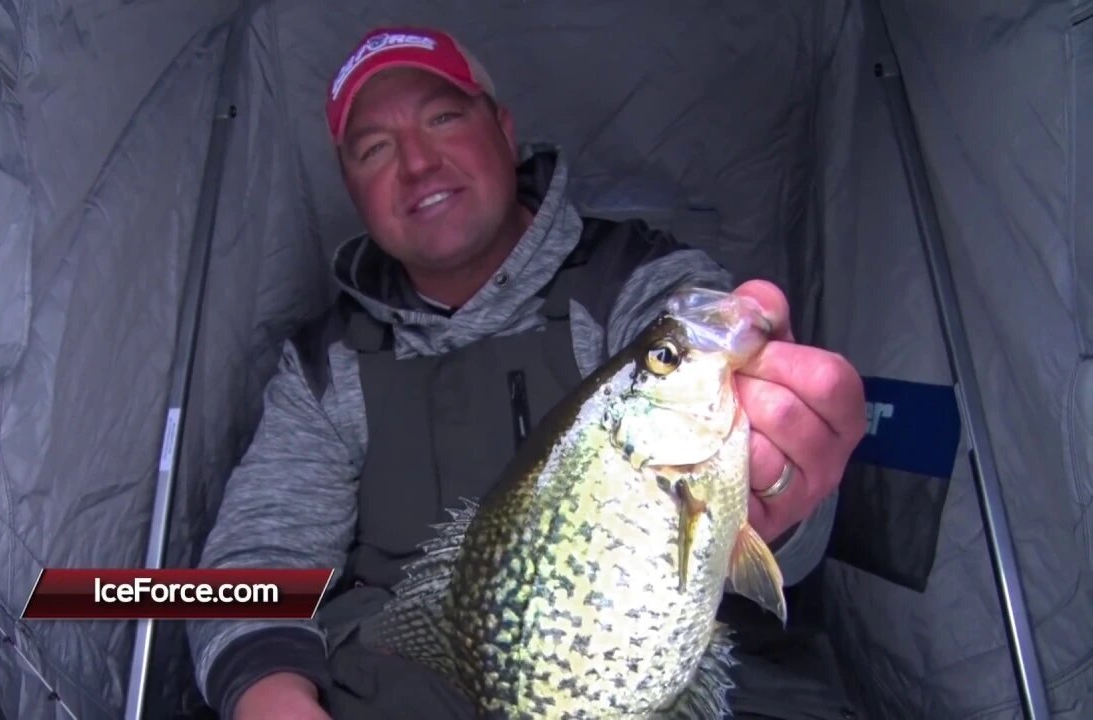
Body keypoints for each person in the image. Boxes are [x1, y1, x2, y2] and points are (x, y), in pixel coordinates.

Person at [187, 25, 867, 720]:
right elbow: (255, 562)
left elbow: (775, 523)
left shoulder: (639, 287)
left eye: (443, 117)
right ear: (350, 189)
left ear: (504, 130)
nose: (418, 164)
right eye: (374, 149)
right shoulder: (322, 366)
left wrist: (780, 493)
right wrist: (271, 697)